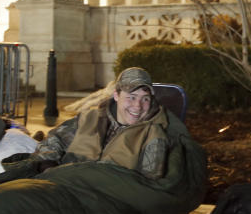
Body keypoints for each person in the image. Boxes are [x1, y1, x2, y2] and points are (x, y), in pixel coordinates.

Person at [29, 67, 171, 180]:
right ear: (116, 95)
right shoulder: (89, 118)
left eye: (145, 99)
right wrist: (48, 166)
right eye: (131, 97)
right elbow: (53, 140)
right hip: (59, 183)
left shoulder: (152, 135)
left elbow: (147, 185)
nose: (138, 106)